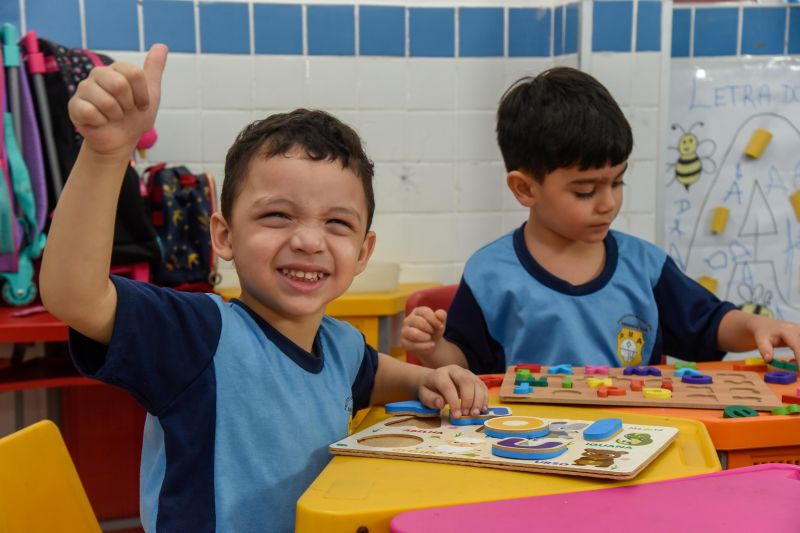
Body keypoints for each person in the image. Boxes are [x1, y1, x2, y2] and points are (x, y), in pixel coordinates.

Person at [39, 44, 488, 532]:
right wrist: (106, 154)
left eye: (337, 223)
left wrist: (426, 379)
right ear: (224, 236)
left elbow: (372, 371)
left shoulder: (339, 345)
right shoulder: (200, 335)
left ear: (363, 252)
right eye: (277, 215)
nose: (309, 241)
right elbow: (75, 296)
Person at [401, 66, 800, 374]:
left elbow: (709, 324)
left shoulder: (645, 267)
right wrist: (435, 350)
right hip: (529, 445)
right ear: (525, 189)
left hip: (639, 441)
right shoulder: (490, 274)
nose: (608, 203)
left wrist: (756, 327)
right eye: (585, 191)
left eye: (617, 182)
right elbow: (467, 364)